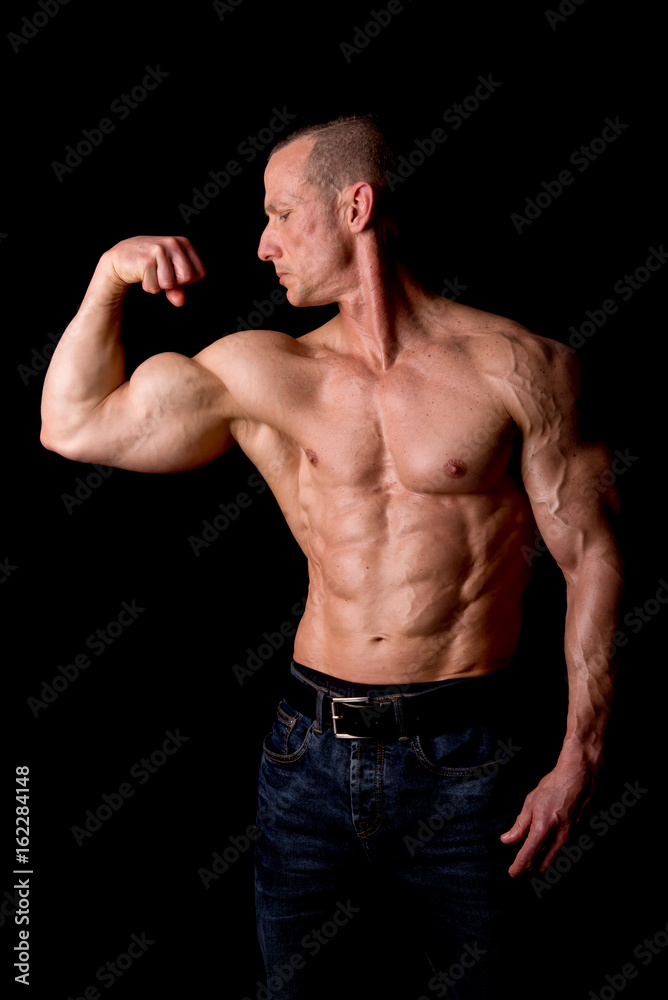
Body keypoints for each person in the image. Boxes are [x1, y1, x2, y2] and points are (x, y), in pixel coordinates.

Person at [40, 115, 623, 998]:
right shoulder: (262, 371)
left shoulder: (521, 369)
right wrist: (107, 277)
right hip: (307, 761)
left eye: (280, 214)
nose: (263, 244)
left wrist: (580, 756)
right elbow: (72, 425)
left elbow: (594, 559)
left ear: (356, 206)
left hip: (467, 765)